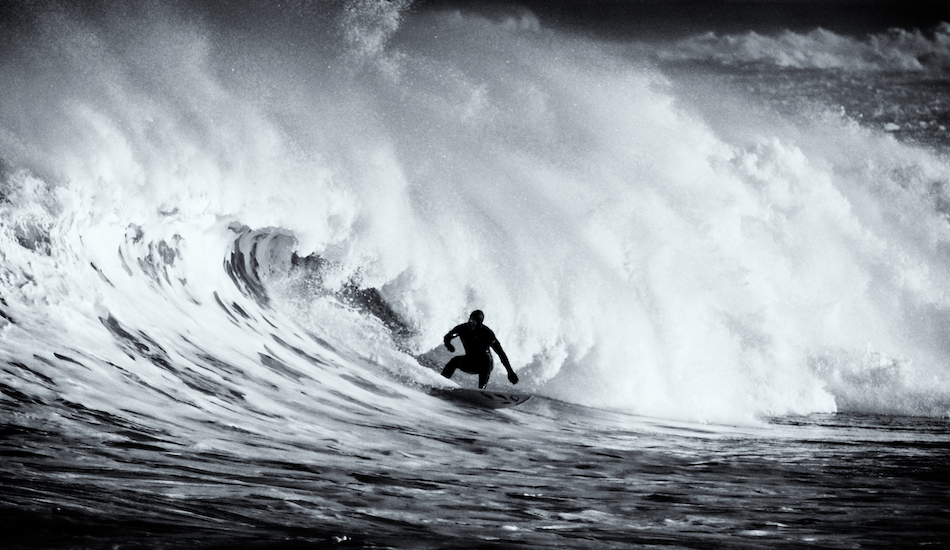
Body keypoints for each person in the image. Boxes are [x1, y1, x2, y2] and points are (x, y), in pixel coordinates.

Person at [442, 310, 519, 389]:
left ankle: (481, 389)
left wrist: (510, 371)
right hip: (470, 362)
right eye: (470, 319)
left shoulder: (487, 333)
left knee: (486, 360)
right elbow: (448, 336)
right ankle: (441, 381)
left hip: (484, 365)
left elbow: (500, 353)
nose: (470, 322)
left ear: (479, 323)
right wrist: (448, 345)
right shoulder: (463, 328)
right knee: (455, 361)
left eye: (474, 320)